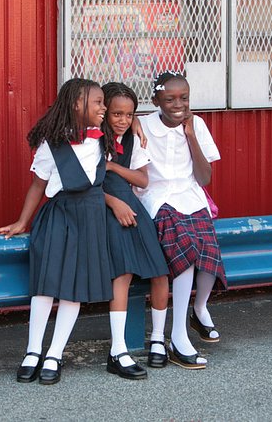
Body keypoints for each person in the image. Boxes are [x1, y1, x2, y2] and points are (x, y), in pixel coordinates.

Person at [0, 78, 112, 385]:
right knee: (46, 284)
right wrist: (22, 222)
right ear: (76, 105)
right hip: (58, 215)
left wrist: (136, 127)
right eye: (97, 102)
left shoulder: (104, 137)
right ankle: (33, 351)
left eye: (103, 102)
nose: (104, 107)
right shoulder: (52, 144)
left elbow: (131, 119)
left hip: (91, 218)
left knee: (74, 289)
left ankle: (55, 353)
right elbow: (38, 184)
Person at [134, 71, 227, 369]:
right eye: (170, 99)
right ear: (155, 101)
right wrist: (136, 120)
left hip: (190, 195)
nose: (178, 104)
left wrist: (190, 135)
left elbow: (205, 177)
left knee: (209, 249)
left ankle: (199, 308)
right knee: (186, 248)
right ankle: (178, 336)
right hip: (157, 197)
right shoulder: (144, 124)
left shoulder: (196, 124)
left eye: (184, 98)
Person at [100, 82, 170, 379]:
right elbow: (85, 183)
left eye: (129, 115)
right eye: (117, 113)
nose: (123, 120)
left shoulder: (131, 139)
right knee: (124, 272)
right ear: (103, 112)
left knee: (159, 271)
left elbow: (142, 181)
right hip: (104, 208)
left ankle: (157, 339)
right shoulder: (91, 139)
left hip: (132, 206)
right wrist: (114, 203)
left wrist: (114, 168)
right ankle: (118, 349)